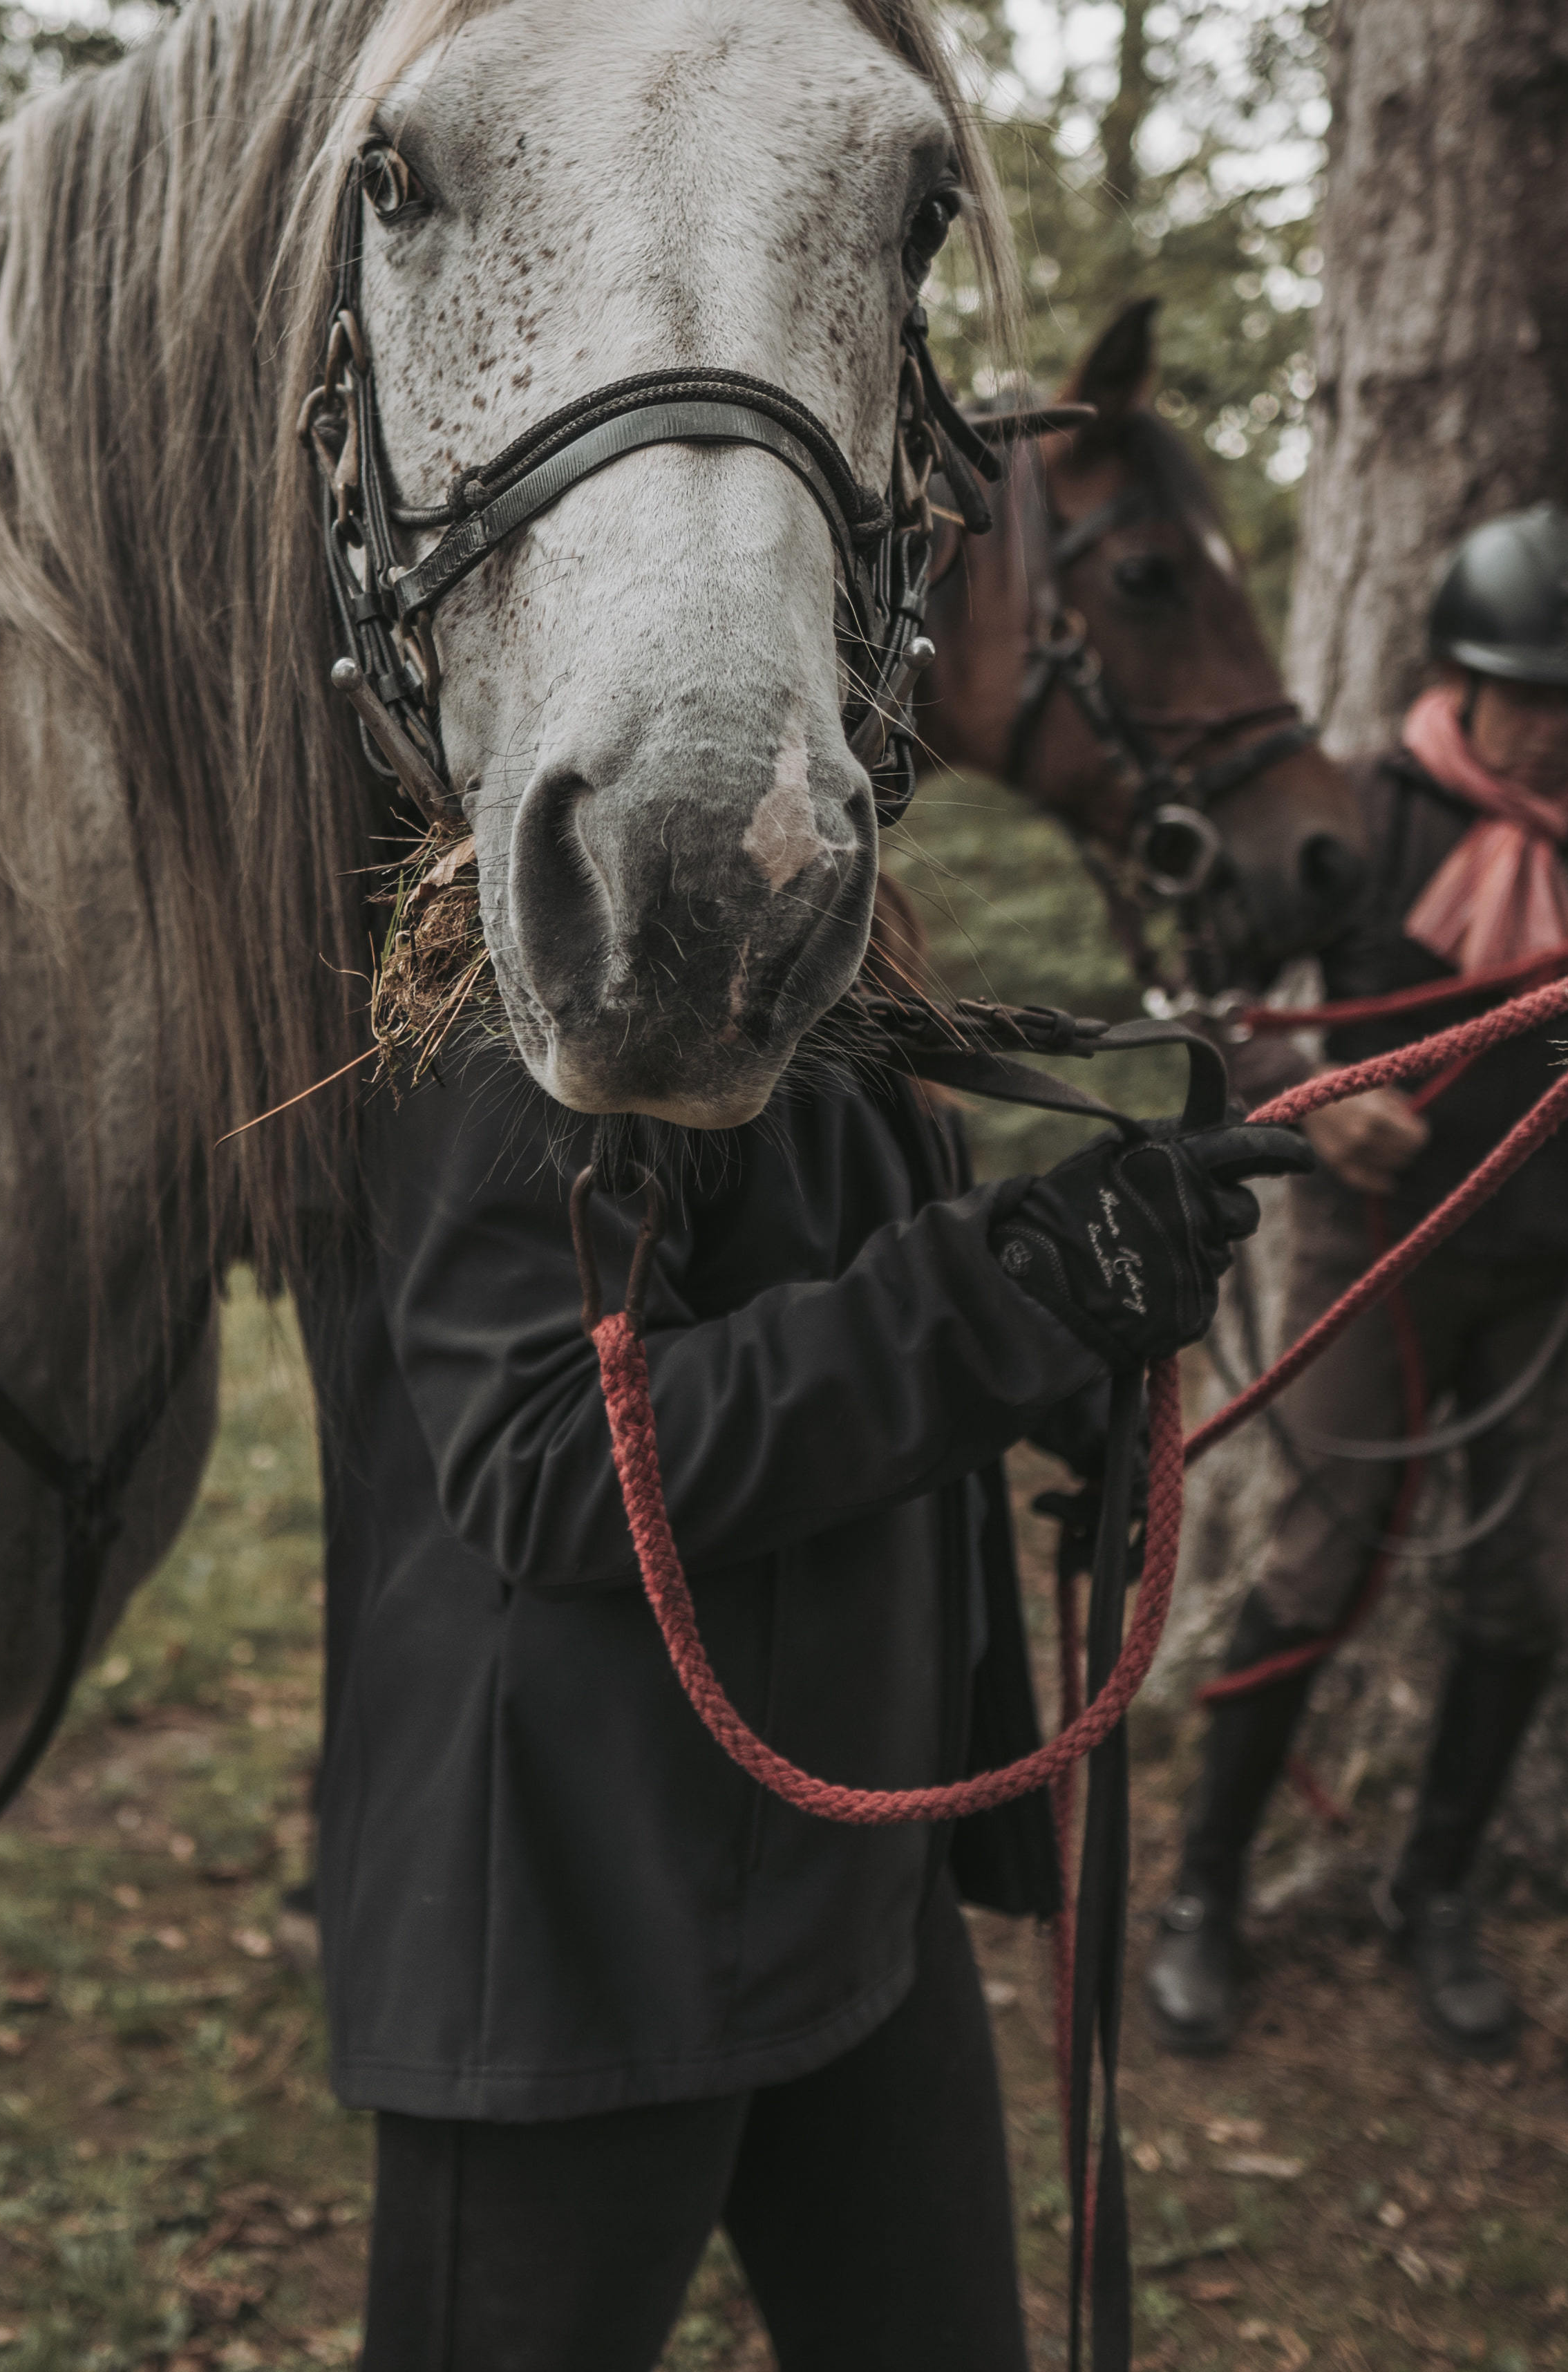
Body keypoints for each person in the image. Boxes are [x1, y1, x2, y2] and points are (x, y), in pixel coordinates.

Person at [296, 936, 1312, 2371]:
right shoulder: (498, 973)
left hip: (852, 1880)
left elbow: (836, 1273)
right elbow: (555, 1454)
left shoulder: (797, 933)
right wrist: (1007, 1289)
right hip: (574, 1915)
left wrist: (1074, 1351)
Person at [1140, 501, 1568, 2066]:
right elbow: (1203, 1000)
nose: (1560, 730)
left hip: (1564, 1272)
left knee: (1528, 1587)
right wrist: (1314, 1081)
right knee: (1314, 1567)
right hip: (1376, 1251)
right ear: (1463, 678)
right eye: (1530, 696)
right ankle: (1203, 1892)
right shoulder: (1359, 812)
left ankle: (1436, 1893)